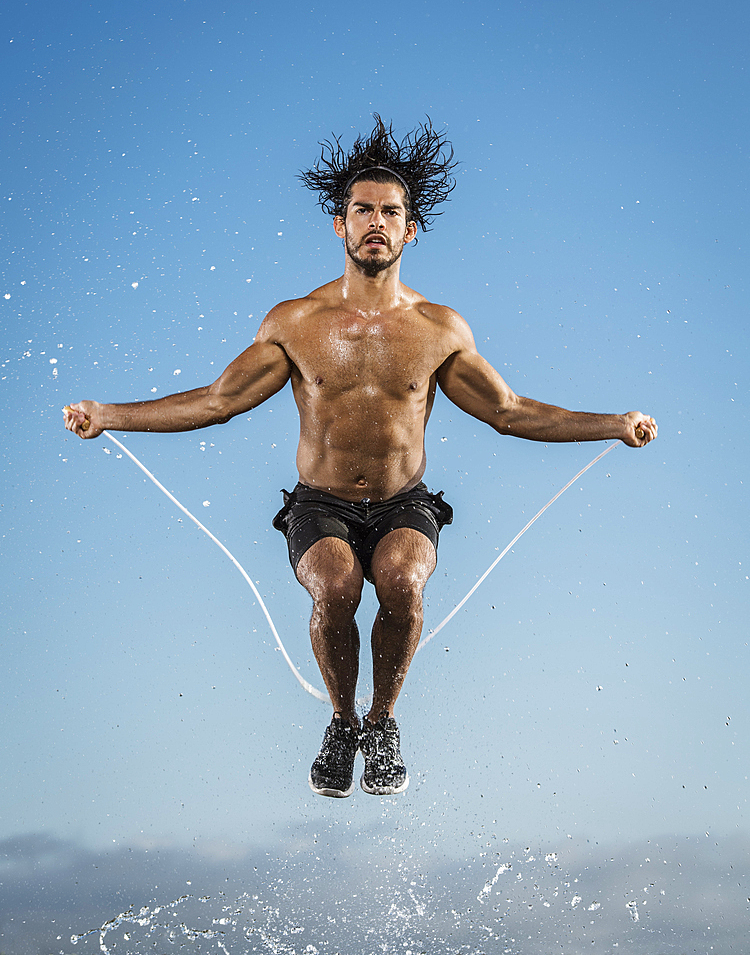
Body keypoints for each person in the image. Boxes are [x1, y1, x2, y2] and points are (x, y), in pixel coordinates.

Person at [63, 116, 657, 799]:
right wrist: (110, 416)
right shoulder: (295, 323)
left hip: (405, 501)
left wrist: (613, 423)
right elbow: (216, 402)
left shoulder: (439, 328)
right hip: (321, 502)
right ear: (340, 227)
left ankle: (383, 723)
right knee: (337, 587)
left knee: (402, 582)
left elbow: (508, 411)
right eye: (362, 210)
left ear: (410, 231)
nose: (376, 221)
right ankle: (342, 722)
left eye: (391, 212)